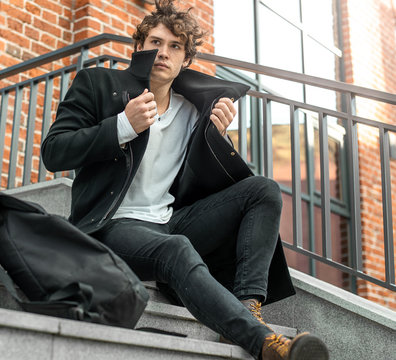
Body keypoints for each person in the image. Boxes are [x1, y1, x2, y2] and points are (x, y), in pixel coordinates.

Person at [41, 1, 329, 359]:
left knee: (263, 190)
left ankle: (247, 305)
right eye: (155, 42)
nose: (163, 52)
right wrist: (121, 125)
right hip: (111, 225)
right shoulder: (98, 85)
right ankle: (264, 344)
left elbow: (208, 184)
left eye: (175, 46)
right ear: (139, 48)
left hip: (171, 221)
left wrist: (218, 141)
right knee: (175, 248)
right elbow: (53, 152)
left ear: (185, 60)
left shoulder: (194, 109)